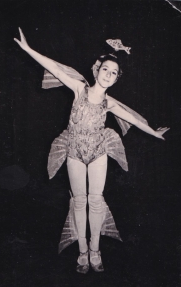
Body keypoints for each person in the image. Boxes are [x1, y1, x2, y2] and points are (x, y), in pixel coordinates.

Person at [14, 28, 169, 274]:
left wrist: (154, 132)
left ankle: (96, 251)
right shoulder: (79, 89)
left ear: (117, 78)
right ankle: (83, 252)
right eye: (105, 69)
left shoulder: (110, 103)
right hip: (74, 150)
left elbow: (135, 120)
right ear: (97, 70)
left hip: (98, 152)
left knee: (95, 201)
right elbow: (54, 68)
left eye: (114, 73)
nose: (109, 74)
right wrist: (28, 49)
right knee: (79, 201)